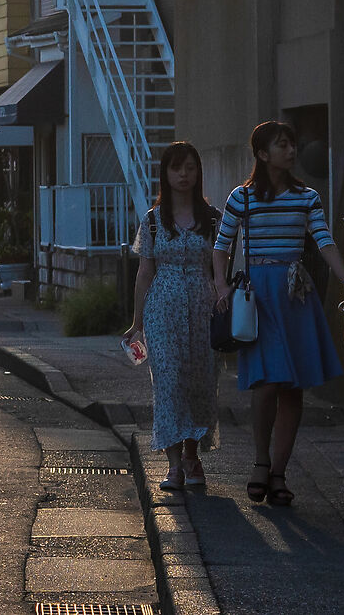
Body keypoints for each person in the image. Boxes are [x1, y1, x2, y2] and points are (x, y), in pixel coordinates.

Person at [212, 120, 344, 508]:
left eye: (292, 144)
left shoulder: (307, 197)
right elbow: (221, 245)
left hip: (295, 294)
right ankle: (261, 461)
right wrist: (221, 286)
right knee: (266, 383)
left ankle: (278, 472)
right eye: (282, 145)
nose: (291, 151)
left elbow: (323, 240)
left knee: (293, 387)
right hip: (258, 296)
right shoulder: (241, 197)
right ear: (262, 153)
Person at [125, 141, 218, 495]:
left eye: (190, 167)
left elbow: (220, 268)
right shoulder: (152, 221)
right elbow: (144, 272)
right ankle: (174, 464)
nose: (184, 174)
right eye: (177, 168)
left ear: (198, 172)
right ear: (165, 173)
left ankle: (193, 458)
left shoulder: (213, 219)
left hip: (203, 309)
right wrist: (137, 323)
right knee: (168, 382)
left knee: (199, 382)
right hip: (162, 309)